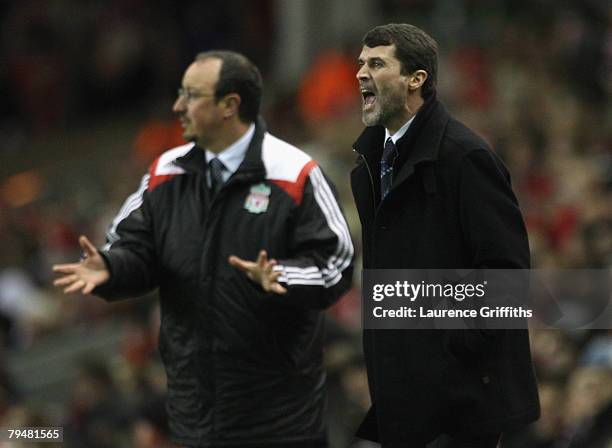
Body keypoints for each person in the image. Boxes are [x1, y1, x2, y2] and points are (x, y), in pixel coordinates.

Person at [53, 50, 354, 448]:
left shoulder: (295, 173)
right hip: (194, 420)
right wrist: (112, 267)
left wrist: (282, 276)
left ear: (230, 106)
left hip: (281, 422)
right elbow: (136, 247)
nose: (178, 106)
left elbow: (336, 263)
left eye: (192, 95)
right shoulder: (166, 172)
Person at [350, 24, 540, 447]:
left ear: (416, 79)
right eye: (360, 63)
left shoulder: (465, 157)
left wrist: (450, 348)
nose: (361, 73)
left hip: (461, 404)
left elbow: (507, 277)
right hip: (404, 399)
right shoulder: (369, 164)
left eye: (377, 64)